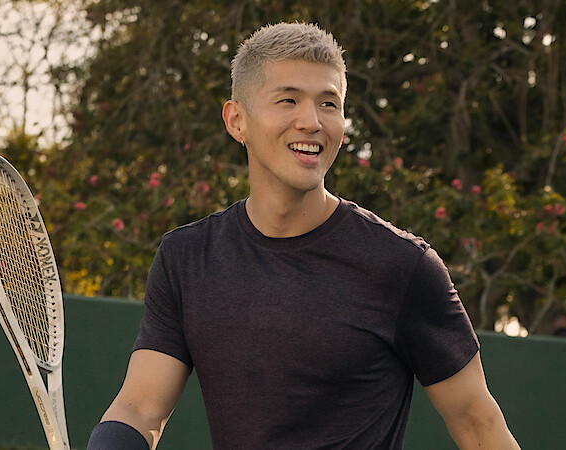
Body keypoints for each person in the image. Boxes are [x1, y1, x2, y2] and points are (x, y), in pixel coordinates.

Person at [88, 22, 520, 450]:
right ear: (237, 120)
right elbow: (140, 409)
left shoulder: (403, 266)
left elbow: (478, 424)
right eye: (288, 100)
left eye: (329, 104)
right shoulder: (186, 259)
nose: (311, 121)